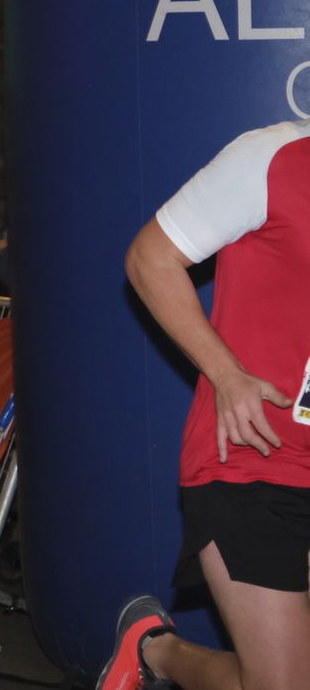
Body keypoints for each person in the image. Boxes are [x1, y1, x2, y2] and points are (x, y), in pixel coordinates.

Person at [101, 120, 310, 690]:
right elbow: (150, 259)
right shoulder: (272, 157)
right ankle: (157, 654)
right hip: (253, 457)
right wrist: (226, 373)